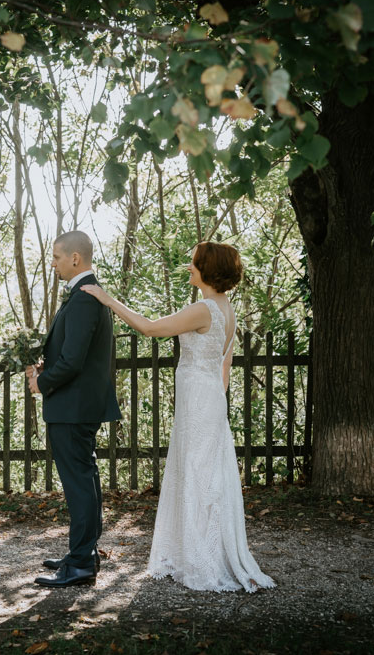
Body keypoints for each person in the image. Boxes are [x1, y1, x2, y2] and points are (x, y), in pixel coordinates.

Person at [81, 241, 275, 592]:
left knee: (198, 474)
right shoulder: (225, 308)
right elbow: (224, 366)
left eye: (194, 262)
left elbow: (151, 328)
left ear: (207, 269)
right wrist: (215, 401)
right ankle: (198, 551)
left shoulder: (204, 308)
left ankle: (204, 559)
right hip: (208, 398)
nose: (189, 266)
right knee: (204, 473)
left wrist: (108, 299)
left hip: (200, 401)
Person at [26, 231, 121, 588]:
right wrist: (43, 364)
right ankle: (85, 552)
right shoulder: (85, 295)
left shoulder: (83, 298)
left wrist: (42, 382)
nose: (53, 264)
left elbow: (73, 362)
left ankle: (81, 563)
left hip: (73, 406)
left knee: (79, 485)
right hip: (78, 405)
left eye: (55, 258)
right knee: (86, 480)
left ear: (75, 259)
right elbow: (68, 353)